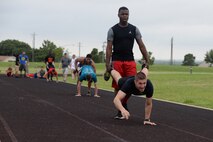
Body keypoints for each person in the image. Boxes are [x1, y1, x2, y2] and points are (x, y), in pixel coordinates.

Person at [104, 6, 150, 118]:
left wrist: (147, 60)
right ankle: (119, 110)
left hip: (130, 60)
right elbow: (109, 48)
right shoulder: (112, 30)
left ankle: (123, 103)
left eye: (127, 14)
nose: (125, 16)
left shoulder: (134, 29)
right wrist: (107, 63)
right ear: (118, 15)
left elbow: (141, 45)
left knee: (132, 85)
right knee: (117, 86)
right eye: (123, 14)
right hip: (117, 61)